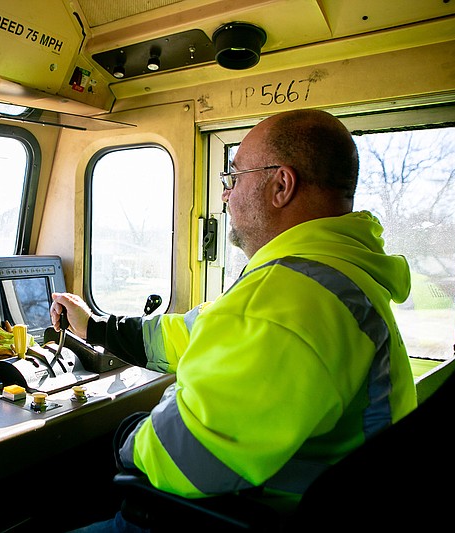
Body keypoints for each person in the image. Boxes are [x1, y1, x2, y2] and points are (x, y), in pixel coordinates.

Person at [51, 108, 417, 531]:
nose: (225, 195)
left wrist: (126, 437)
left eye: (234, 178)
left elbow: (181, 458)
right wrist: (94, 326)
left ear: (281, 185)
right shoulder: (332, 273)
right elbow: (194, 333)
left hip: (237, 516)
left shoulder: (285, 300)